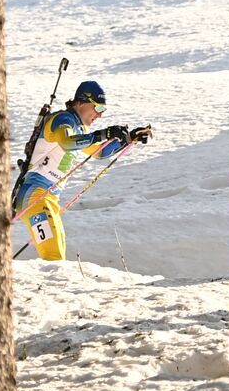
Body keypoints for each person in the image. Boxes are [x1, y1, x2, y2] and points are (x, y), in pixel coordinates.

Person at [11, 80, 150, 261]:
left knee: (57, 255)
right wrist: (102, 134)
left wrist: (129, 139)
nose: (99, 116)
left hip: (48, 198)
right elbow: (67, 142)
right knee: (53, 255)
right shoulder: (62, 120)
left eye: (103, 111)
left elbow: (99, 152)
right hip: (34, 196)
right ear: (81, 102)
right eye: (98, 109)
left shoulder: (79, 129)